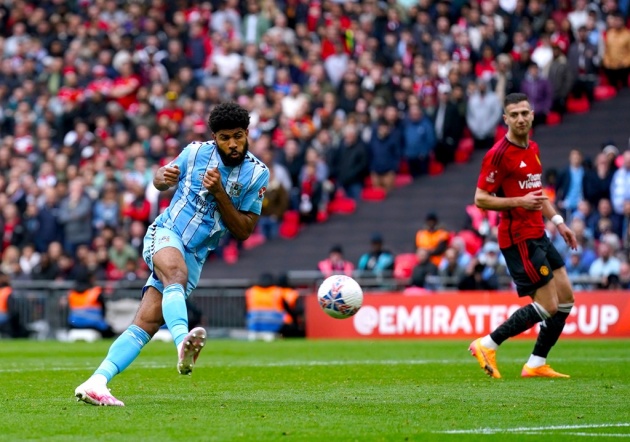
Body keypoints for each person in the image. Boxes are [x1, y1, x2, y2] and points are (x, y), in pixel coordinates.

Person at [75, 102, 270, 406]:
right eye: (224, 138)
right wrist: (161, 177)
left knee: (146, 324)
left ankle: (96, 382)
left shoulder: (257, 174)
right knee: (175, 274)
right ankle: (182, 343)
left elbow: (244, 230)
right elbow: (159, 179)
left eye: (237, 136)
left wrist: (220, 193)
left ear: (246, 133)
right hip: (166, 232)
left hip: (196, 254)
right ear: (214, 138)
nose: (232, 144)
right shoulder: (194, 153)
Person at [469, 92, 578, 379]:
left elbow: (537, 194)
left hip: (539, 232)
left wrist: (559, 222)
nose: (520, 119)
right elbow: (481, 198)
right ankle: (487, 344)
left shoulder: (533, 148)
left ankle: (536, 363)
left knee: (566, 299)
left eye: (524, 113)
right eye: (514, 114)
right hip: (518, 238)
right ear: (505, 118)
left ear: (532, 115)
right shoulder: (498, 154)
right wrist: (519, 202)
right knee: (548, 305)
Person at [67, 265, 115, 338]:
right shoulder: (95, 292)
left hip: (74, 324)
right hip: (94, 324)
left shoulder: (72, 294)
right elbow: (104, 310)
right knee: (110, 332)